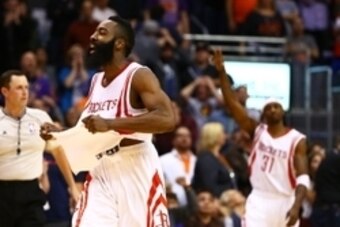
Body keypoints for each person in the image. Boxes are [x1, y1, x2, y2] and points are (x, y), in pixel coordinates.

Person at [42, 16, 176, 227]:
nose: (93, 37)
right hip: (100, 168)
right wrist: (60, 132)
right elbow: (90, 128)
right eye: (95, 32)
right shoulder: (96, 80)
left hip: (135, 168)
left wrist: (112, 124)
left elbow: (168, 119)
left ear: (120, 43)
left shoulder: (138, 75)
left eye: (102, 33)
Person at [213, 49, 309, 227]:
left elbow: (303, 176)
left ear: (283, 111)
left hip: (286, 199)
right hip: (259, 198)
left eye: (276, 106)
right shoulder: (257, 130)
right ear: (263, 113)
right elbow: (232, 104)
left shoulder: (297, 139)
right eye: (269, 107)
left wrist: (297, 205)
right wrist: (221, 72)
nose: (272, 109)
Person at [0, 70, 79, 227]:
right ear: (5, 91)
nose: (25, 92)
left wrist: (72, 187)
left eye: (27, 87)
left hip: (31, 192)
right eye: (19, 88)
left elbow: (58, 152)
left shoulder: (40, 118)